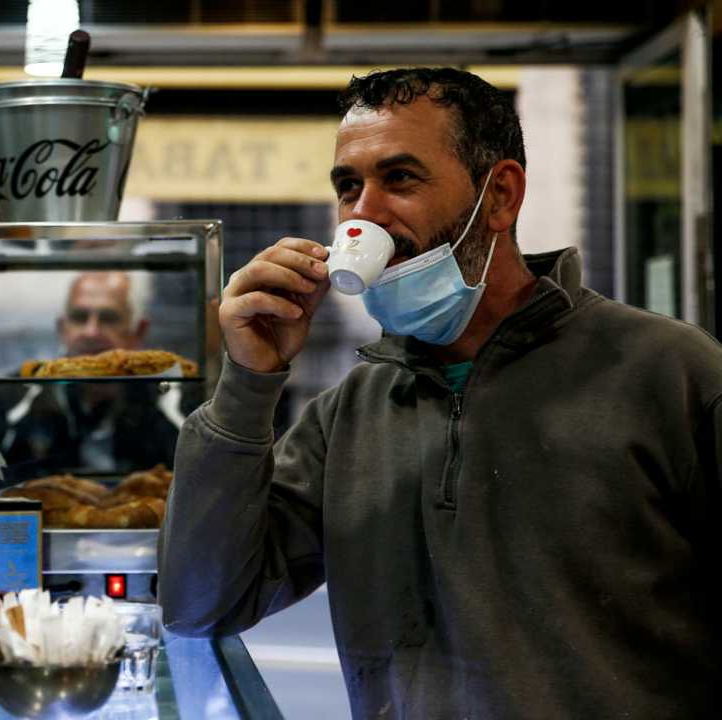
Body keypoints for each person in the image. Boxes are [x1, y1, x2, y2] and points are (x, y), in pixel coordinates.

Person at [158, 67, 722, 719]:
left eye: (399, 178)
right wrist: (249, 385)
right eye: (348, 187)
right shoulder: (349, 415)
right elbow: (203, 604)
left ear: (501, 196)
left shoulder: (670, 374)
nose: (362, 216)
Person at [0, 271, 182, 477]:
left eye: (108, 318)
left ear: (138, 332)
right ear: (62, 329)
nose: (91, 332)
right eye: (79, 318)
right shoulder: (16, 395)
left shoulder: (172, 399)